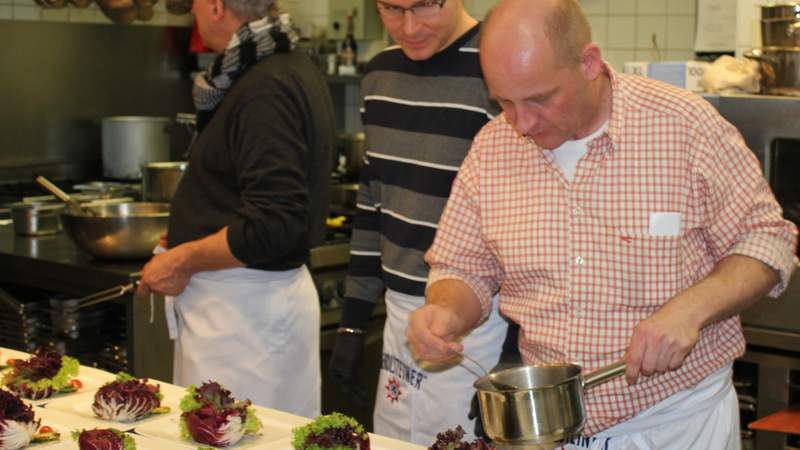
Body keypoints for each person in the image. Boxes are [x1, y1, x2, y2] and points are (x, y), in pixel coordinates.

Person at [406, 0, 798, 448]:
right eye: (504, 102)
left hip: (675, 422)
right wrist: (446, 312)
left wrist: (692, 308)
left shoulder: (682, 126)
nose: (522, 123)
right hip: (551, 427)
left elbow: (768, 239)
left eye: (539, 98)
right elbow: (463, 266)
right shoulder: (493, 148)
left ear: (589, 62)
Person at [327, 0, 517, 444]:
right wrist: (354, 321)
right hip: (400, 318)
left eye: (423, 6)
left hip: (478, 325)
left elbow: (530, 223)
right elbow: (373, 203)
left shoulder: (500, 68)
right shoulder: (379, 76)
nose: (408, 27)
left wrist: (513, 355)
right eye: (391, 9)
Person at [138, 0, 334, 419]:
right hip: (242, 314)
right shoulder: (279, 65)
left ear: (214, 6)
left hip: (245, 322)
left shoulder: (266, 86)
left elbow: (272, 223)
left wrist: (184, 259)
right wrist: (193, 229)